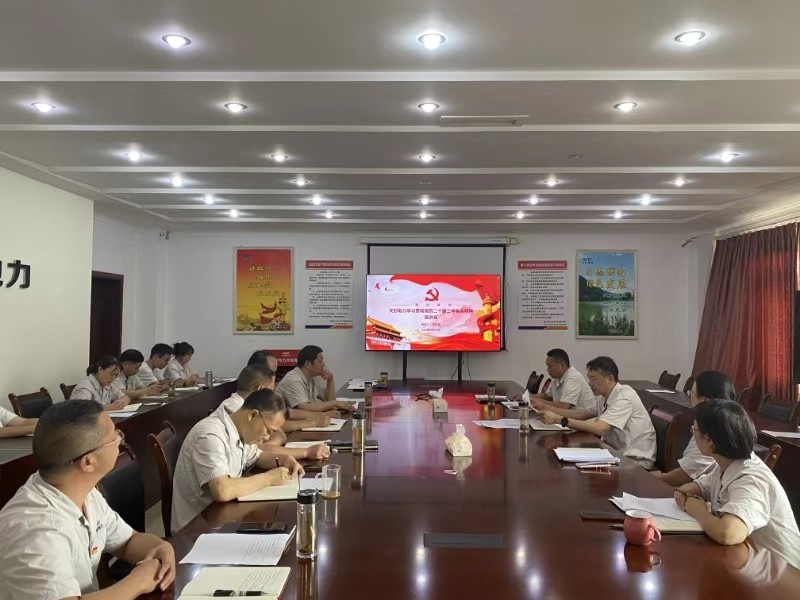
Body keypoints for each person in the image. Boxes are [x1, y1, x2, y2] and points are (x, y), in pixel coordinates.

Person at [0, 400, 175, 599]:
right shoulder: (36, 531)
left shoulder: (83, 492)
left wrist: (161, 548)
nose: (120, 439)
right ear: (88, 462)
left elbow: (127, 541)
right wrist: (138, 582)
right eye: (115, 436)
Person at [675, 400, 800, 569]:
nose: (692, 433)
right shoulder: (726, 463)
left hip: (784, 573)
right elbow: (696, 487)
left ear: (710, 441)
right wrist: (684, 492)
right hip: (752, 562)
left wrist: (698, 510)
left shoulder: (752, 479)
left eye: (694, 430)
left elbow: (728, 533)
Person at [171, 389, 305, 533]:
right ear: (252, 415)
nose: (267, 437)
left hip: (222, 518)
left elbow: (257, 457)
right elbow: (222, 490)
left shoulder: (241, 430)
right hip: (196, 531)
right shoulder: (210, 435)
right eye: (268, 430)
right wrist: (268, 479)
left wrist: (285, 459)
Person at [538, 356, 656, 469]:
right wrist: (547, 409)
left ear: (610, 378)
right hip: (614, 454)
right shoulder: (603, 397)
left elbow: (600, 428)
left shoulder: (624, 396)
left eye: (593, 378)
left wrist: (559, 420)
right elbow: (581, 415)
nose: (589, 383)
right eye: (588, 378)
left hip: (635, 461)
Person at [220, 366, 330, 461]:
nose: (274, 393)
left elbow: (279, 434)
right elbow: (260, 448)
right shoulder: (234, 408)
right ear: (261, 389)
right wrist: (306, 452)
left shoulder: (248, 406)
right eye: (272, 389)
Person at [652, 371, 736, 485]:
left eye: (691, 392)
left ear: (705, 400)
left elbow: (685, 475)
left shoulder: (711, 428)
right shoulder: (727, 420)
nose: (689, 395)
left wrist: (659, 477)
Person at [275, 345, 355, 413]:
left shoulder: (311, 378)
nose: (323, 364)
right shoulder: (293, 380)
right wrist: (335, 403)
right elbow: (305, 408)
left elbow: (329, 400)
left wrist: (330, 379)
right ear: (308, 364)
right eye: (320, 361)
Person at [527, 348, 595, 410]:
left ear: (561, 365)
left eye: (550, 366)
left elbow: (563, 406)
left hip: (583, 417)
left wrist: (536, 401)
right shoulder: (557, 378)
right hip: (567, 415)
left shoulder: (573, 378)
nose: (547, 369)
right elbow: (546, 396)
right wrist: (528, 397)